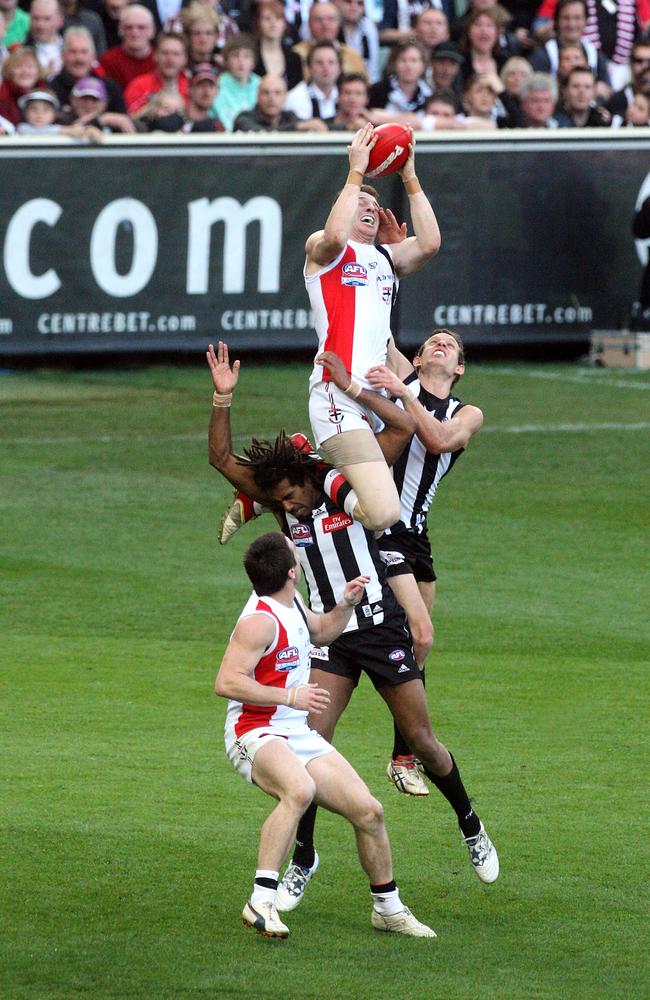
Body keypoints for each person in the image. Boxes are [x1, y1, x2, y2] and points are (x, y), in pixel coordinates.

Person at [207, 340, 499, 912]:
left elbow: (399, 431)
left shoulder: (348, 484)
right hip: (330, 634)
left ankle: (470, 823)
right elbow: (221, 460)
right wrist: (222, 398)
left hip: (380, 626)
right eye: (279, 501)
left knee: (421, 740)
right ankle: (303, 859)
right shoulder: (283, 501)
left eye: (292, 497)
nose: (287, 509)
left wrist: (349, 386)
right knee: (310, 745)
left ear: (309, 483)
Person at [216, 530, 436, 939]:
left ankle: (387, 908)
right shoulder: (259, 622)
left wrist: (346, 604)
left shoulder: (293, 601)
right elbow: (227, 681)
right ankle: (260, 901)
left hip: (294, 731)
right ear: (292, 571)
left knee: (369, 811)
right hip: (255, 731)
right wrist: (290, 695)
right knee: (298, 789)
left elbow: (321, 631)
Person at [302, 125, 440, 533]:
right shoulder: (325, 251)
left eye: (371, 203)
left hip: (376, 400)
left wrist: (408, 175)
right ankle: (311, 468)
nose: (366, 205)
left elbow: (430, 243)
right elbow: (332, 233)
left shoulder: (385, 256)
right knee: (382, 515)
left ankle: (309, 487)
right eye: (358, 201)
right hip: (338, 395)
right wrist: (355, 174)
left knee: (370, 522)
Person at [51, 26, 126, 113]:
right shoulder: (52, 88)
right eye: (73, 52)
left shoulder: (110, 88)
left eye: (84, 52)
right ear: (62, 55)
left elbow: (124, 119)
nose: (79, 58)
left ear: (93, 56)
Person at [292, 1, 367, 78]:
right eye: (318, 19)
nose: (325, 24)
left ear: (339, 23)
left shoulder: (353, 56)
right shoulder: (295, 54)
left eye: (330, 19)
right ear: (309, 24)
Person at [124, 30, 189, 114]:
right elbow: (131, 118)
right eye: (165, 53)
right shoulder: (139, 85)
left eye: (176, 54)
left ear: (185, 59)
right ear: (155, 56)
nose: (170, 59)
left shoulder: (191, 87)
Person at [233, 71, 322, 129]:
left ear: (285, 97)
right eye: (266, 93)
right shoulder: (244, 118)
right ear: (257, 96)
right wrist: (297, 127)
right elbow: (262, 135)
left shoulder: (289, 117)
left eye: (277, 93)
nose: (271, 98)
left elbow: (307, 124)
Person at [99, 4, 157, 90]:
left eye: (141, 27)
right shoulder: (108, 61)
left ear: (152, 31)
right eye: (129, 27)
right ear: (120, 30)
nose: (135, 33)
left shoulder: (160, 60)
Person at [210, 32, 260, 129]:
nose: (241, 61)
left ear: (253, 62)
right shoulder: (216, 85)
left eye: (246, 56)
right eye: (235, 55)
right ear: (226, 61)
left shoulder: (261, 84)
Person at [283, 40, 341, 124]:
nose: (325, 68)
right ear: (309, 68)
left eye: (331, 62)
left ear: (339, 68)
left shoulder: (346, 95)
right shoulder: (295, 98)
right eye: (319, 63)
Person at [252, 0, 305, 89]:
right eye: (267, 18)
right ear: (258, 23)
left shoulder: (294, 58)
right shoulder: (251, 55)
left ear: (285, 24)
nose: (273, 23)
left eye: (278, 18)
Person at [336, 0, 381, 84]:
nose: (354, 7)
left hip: (366, 85)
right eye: (348, 2)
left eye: (359, 3)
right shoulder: (330, 25)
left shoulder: (369, 27)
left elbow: (372, 67)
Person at [26, 0, 65, 78]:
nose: (40, 25)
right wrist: (43, 74)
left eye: (47, 19)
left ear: (60, 20)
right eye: (36, 18)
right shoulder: (21, 50)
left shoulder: (72, 49)